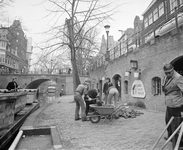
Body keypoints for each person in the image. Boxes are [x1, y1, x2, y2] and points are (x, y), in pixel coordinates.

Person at [162, 63, 183, 140]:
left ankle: (177, 139)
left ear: (173, 70)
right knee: (168, 121)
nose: (167, 74)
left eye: (169, 72)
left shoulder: (178, 78)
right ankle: (170, 136)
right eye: (166, 73)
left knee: (176, 123)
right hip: (169, 104)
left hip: (176, 105)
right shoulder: (166, 77)